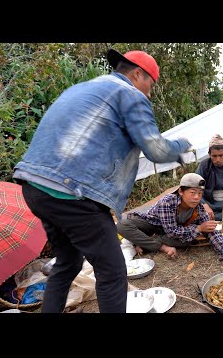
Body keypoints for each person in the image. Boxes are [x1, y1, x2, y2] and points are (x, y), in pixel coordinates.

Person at [13, 48, 192, 313]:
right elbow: (156, 149)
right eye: (151, 86)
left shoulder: (80, 89)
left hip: (35, 187)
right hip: (71, 192)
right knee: (113, 271)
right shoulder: (129, 94)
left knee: (68, 262)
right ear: (137, 73)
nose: (149, 94)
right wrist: (182, 145)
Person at [117, 173, 223, 266]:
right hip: (152, 224)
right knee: (122, 225)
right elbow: (172, 231)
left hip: (170, 232)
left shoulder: (198, 208)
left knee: (187, 240)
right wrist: (199, 228)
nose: (196, 197)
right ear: (181, 192)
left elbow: (211, 231)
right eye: (192, 193)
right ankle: (160, 246)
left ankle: (143, 244)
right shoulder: (167, 202)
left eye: (200, 194)